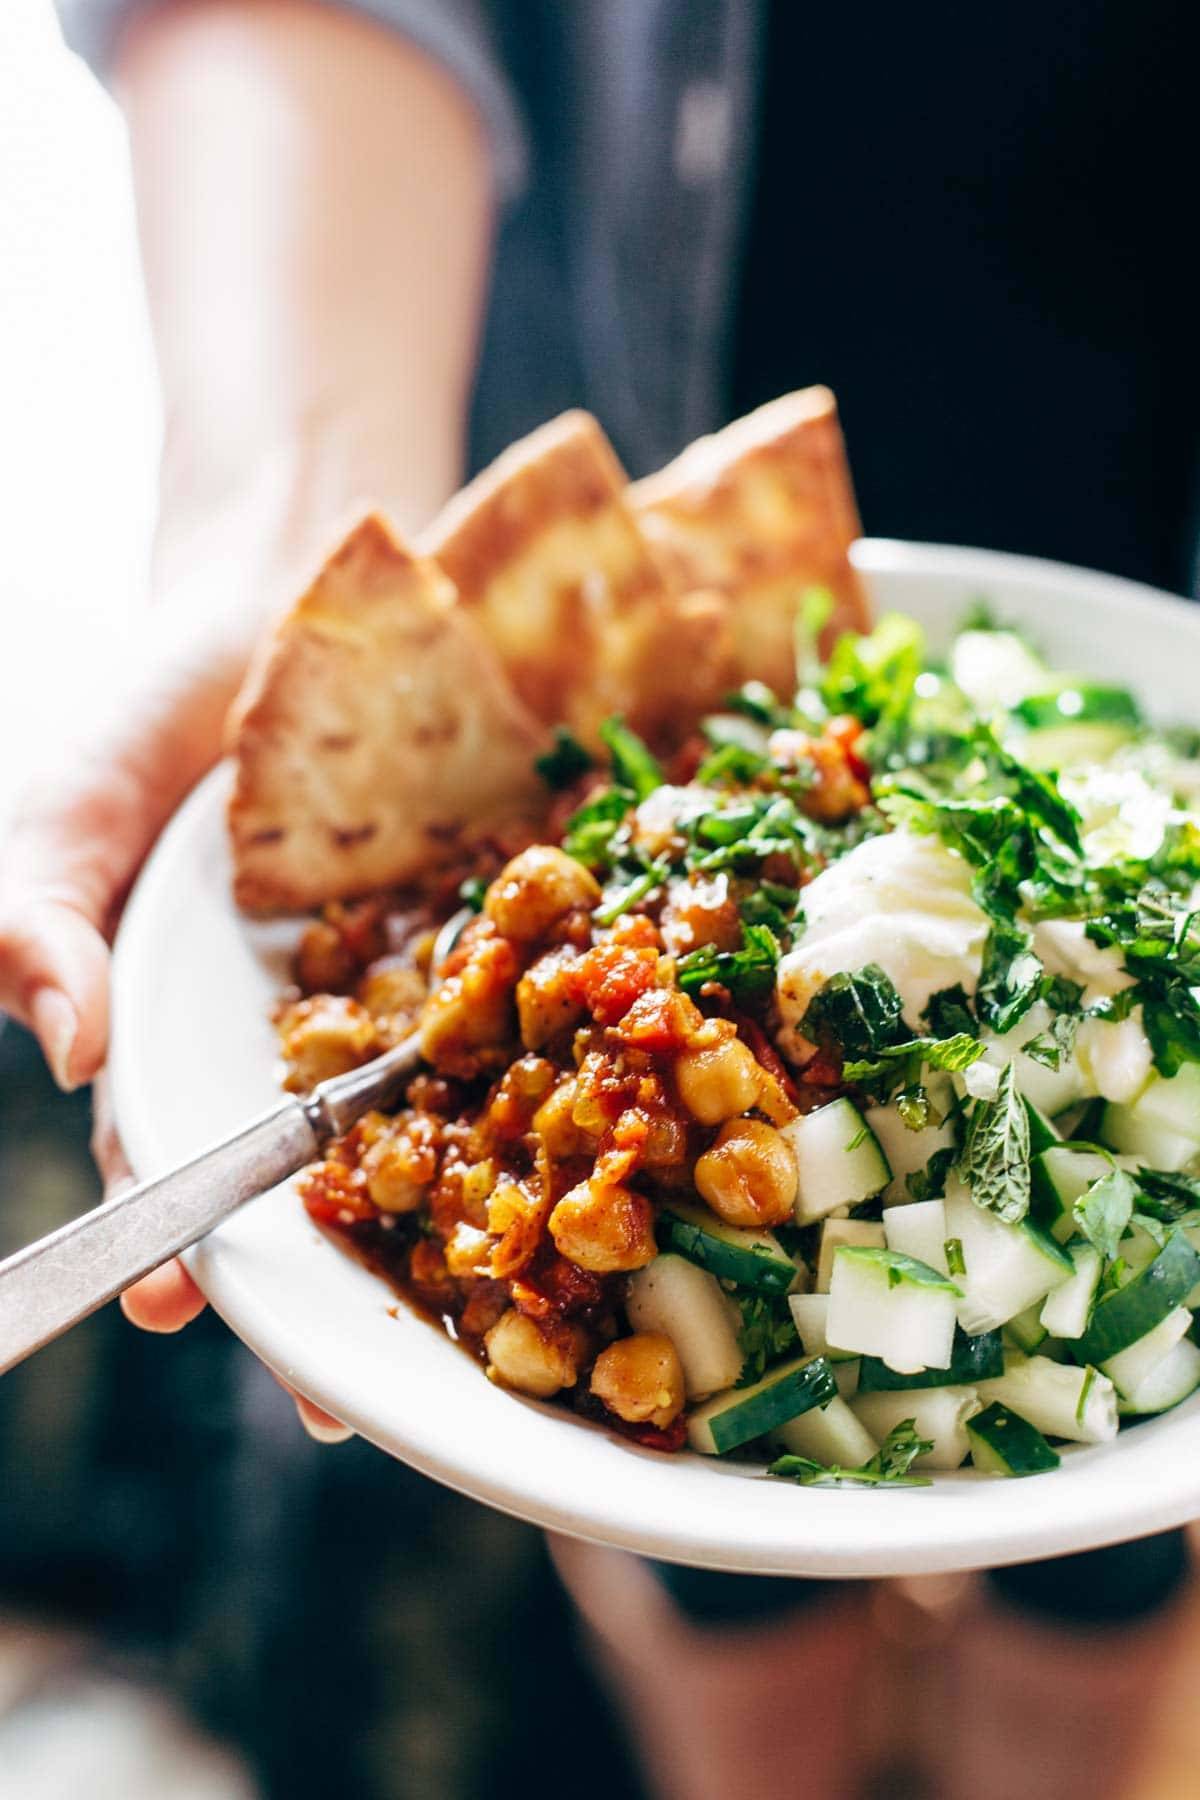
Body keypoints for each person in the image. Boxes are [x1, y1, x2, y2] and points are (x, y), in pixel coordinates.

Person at [2, 3, 1197, 1795]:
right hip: (619, 654)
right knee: (705, 1579)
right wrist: (292, 516)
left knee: (1109, 1587)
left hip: (1093, 591)